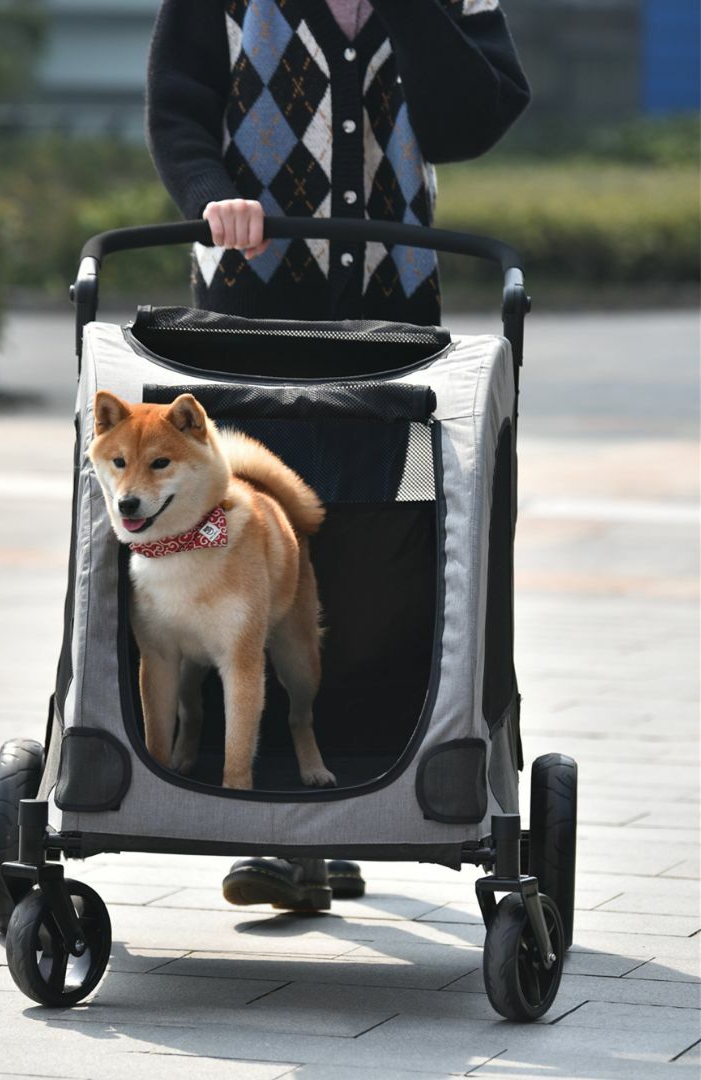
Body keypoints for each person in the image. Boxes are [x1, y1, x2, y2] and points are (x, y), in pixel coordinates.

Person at [145, 0, 530, 911]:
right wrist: (209, 195)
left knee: (377, 557)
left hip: (396, 347)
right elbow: (178, 105)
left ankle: (347, 794)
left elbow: (471, 121)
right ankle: (281, 832)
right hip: (248, 342)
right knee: (259, 566)